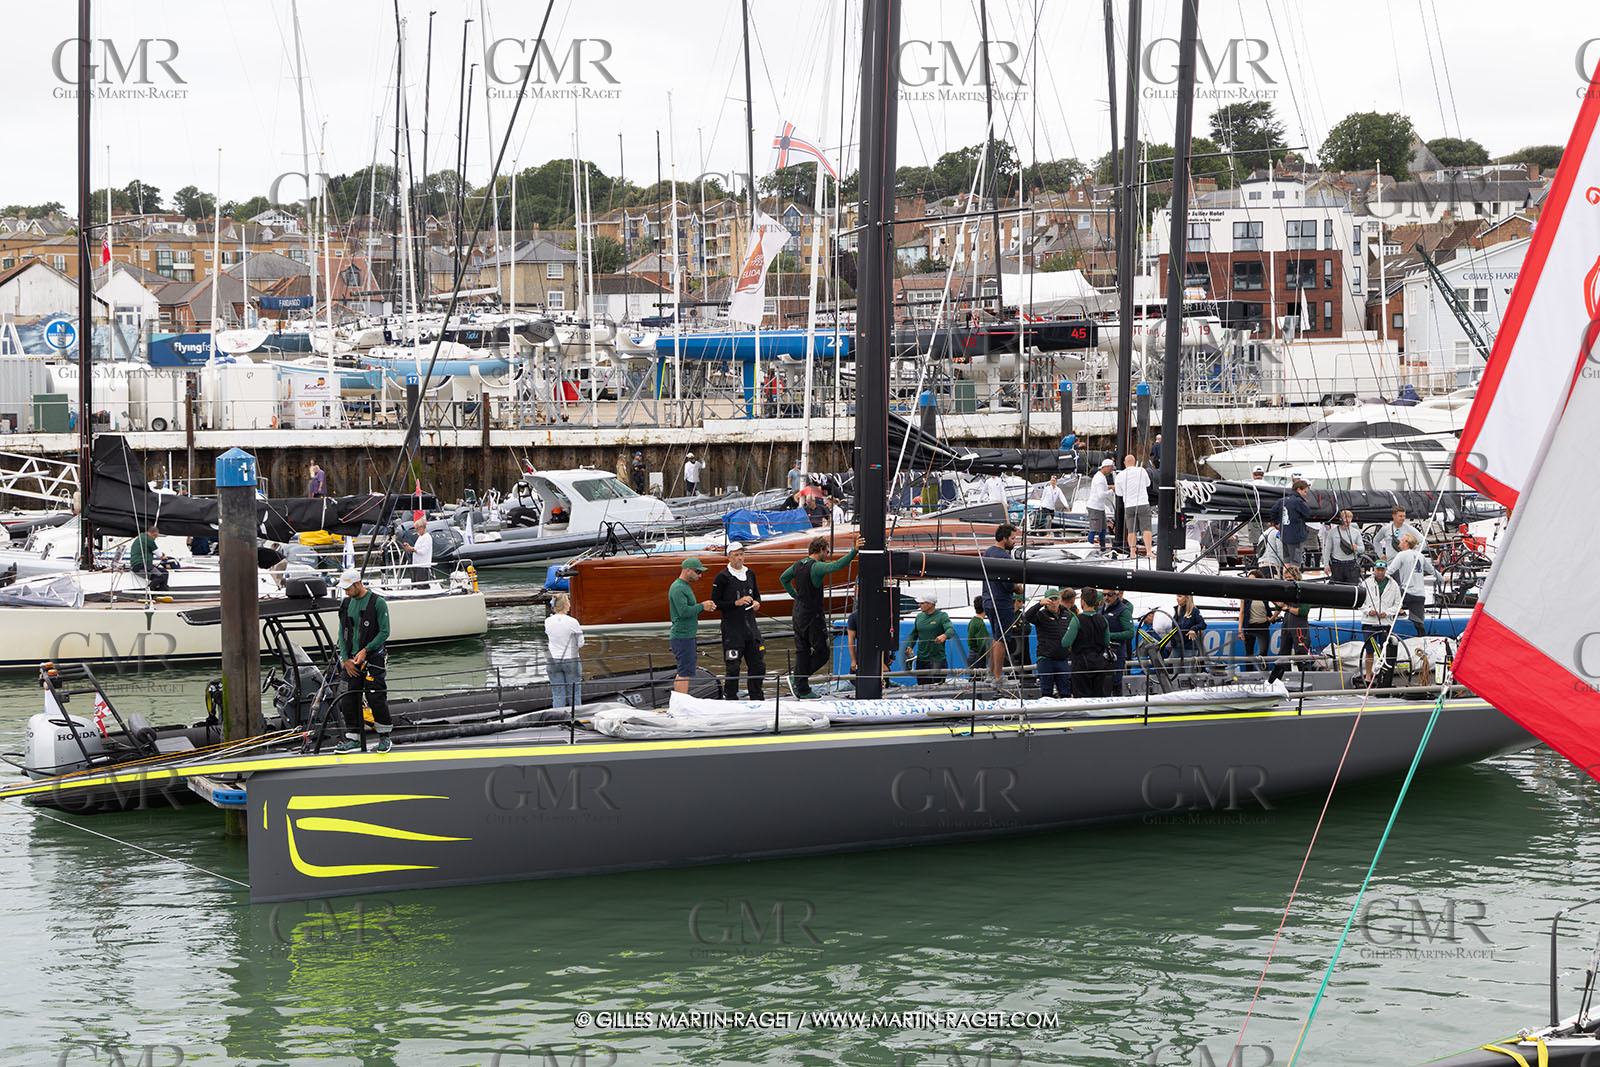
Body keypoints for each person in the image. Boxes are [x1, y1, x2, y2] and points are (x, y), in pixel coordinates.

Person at [780, 534, 864, 697]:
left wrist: (795, 595)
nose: (827, 555)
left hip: (797, 613)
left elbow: (783, 578)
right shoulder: (816, 566)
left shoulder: (798, 565)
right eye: (827, 551)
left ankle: (802, 689)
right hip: (812, 616)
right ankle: (798, 679)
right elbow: (837, 566)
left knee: (802, 651)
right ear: (820, 550)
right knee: (822, 652)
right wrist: (855, 550)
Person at [334, 569, 394, 754]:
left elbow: (385, 632)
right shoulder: (345, 603)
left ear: (357, 583)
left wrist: (365, 651)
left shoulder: (378, 603)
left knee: (375, 697)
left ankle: (384, 736)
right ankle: (353, 738)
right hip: (351, 661)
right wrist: (345, 659)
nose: (345, 592)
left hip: (372, 659)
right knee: (348, 698)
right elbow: (341, 634)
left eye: (347, 588)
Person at [711, 542, 765, 700]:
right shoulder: (722, 577)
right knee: (733, 667)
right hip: (732, 630)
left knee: (758, 664)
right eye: (736, 555)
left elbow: (757, 595)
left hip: (751, 628)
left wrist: (756, 603)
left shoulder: (750, 573)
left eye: (741, 554)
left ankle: (757, 696)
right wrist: (736, 603)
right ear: (729, 557)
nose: (740, 558)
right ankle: (731, 697)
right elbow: (715, 603)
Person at [981, 524, 1023, 685]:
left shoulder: (988, 552)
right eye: (1013, 538)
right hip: (1002, 602)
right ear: (1004, 538)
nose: (1015, 542)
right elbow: (1008, 585)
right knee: (1002, 639)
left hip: (988, 600)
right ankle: (998, 677)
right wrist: (1019, 587)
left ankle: (992, 673)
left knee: (996, 637)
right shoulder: (1005, 558)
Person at [668, 558, 717, 694]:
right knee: (685, 672)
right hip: (682, 636)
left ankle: (680, 701)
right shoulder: (678, 588)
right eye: (697, 572)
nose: (700, 575)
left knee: (685, 670)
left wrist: (704, 607)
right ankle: (681, 704)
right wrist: (702, 606)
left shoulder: (684, 586)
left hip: (687, 635)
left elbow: (690, 610)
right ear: (687, 570)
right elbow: (683, 612)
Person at [1061, 587, 1114, 698]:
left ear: (1083, 601)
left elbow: (1065, 643)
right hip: (1098, 664)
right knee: (1098, 697)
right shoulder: (1103, 619)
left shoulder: (1077, 620)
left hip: (1081, 666)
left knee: (1081, 699)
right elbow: (1106, 641)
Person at [1359, 559, 1403, 684]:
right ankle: (1368, 677)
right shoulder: (1366, 583)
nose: (1380, 572)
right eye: (1378, 569)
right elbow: (1360, 603)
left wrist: (1388, 613)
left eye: (1382, 569)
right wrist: (1368, 611)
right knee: (1369, 651)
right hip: (1369, 622)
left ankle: (1384, 677)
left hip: (1385, 623)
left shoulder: (1393, 585)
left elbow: (1398, 604)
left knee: (1385, 651)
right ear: (1374, 570)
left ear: (1385, 570)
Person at [1025, 589, 1074, 698]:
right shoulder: (1040, 616)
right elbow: (1027, 617)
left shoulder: (1067, 615)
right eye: (1050, 600)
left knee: (1066, 692)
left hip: (1062, 659)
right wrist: (1039, 604)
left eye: (1055, 599)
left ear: (1059, 600)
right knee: (1047, 693)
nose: (1053, 602)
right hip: (1046, 659)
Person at [1387, 532, 1437, 635]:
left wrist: (1376, 579)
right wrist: (1443, 579)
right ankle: (1421, 638)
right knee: (1419, 623)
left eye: (1401, 541)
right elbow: (1432, 571)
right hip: (1419, 594)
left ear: (1406, 543)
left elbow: (1390, 571)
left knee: (1389, 597)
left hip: (1406, 592)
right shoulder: (1421, 556)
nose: (1399, 542)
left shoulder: (1401, 555)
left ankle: (1396, 614)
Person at [904, 593, 957, 685]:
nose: (919, 605)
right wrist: (909, 646)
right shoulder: (919, 617)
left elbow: (951, 630)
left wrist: (944, 636)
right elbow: (914, 634)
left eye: (921, 603)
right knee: (922, 688)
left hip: (937, 660)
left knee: (936, 690)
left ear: (930, 604)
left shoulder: (942, 616)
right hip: (921, 661)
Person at [543, 592, 585, 709]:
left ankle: (558, 720)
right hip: (571, 659)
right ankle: (576, 718)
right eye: (569, 602)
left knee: (558, 694)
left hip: (553, 660)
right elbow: (581, 643)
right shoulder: (572, 621)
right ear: (565, 605)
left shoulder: (548, 621)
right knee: (574, 693)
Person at [1271, 566, 1312, 682]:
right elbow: (1279, 606)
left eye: (1290, 577)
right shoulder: (1286, 591)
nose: (1287, 580)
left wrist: (1288, 607)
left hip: (1299, 626)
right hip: (1287, 625)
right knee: (1283, 653)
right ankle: (1276, 681)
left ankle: (1307, 681)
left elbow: (1303, 611)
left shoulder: (1304, 590)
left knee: (1301, 654)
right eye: (1286, 578)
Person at [845, 603, 898, 692]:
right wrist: (853, 660)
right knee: (862, 681)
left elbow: (885, 635)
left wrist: (891, 655)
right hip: (864, 654)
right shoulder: (854, 617)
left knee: (882, 681)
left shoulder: (881, 615)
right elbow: (851, 640)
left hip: (879, 653)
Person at [1238, 571, 1279, 673]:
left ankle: (1264, 674)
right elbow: (1242, 612)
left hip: (1263, 626)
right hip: (1250, 626)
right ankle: (1249, 675)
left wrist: (1272, 617)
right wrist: (1240, 630)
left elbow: (1279, 604)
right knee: (1249, 653)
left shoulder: (1264, 593)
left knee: (1263, 653)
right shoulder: (1246, 594)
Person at [1114, 454, 1153, 558]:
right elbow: (1148, 484)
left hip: (1129, 505)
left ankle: (1132, 553)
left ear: (1124, 463)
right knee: (1146, 529)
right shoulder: (1141, 471)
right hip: (1143, 503)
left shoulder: (1119, 476)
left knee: (1131, 530)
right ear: (1135, 462)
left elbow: (1119, 494)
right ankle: (1149, 551)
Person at [1101, 587, 1136, 694]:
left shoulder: (1123, 610)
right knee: (1102, 684)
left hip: (1116, 653)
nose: (1106, 597)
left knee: (1115, 683)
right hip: (1102, 652)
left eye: (1109, 595)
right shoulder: (1102, 608)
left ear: (1117, 595)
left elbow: (1130, 633)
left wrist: (1109, 636)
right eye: (1104, 595)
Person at [1322, 510, 1365, 584]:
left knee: (1352, 588)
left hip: (1351, 565)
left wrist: (1356, 548)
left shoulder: (1356, 532)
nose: (1347, 524)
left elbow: (1362, 549)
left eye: (1349, 522)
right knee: (1337, 589)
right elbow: (1328, 550)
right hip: (1337, 565)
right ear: (1340, 519)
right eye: (1345, 522)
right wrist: (1326, 565)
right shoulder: (1332, 532)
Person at [1279, 479, 1313, 568]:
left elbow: (1274, 513)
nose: (1305, 494)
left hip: (1284, 536)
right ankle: (1294, 580)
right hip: (1296, 537)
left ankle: (1286, 580)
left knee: (1286, 562)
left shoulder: (1282, 500)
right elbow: (1308, 513)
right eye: (1305, 492)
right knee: (1295, 563)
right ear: (1298, 490)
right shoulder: (1298, 501)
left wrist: (1277, 524)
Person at [129, 522, 168, 591]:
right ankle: (148, 590)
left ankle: (162, 591)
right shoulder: (149, 539)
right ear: (154, 534)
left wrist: (160, 554)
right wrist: (162, 556)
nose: (155, 539)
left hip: (138, 565)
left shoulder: (141, 537)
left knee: (165, 572)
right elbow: (159, 555)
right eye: (155, 537)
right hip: (142, 565)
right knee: (161, 576)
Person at [1087, 458, 1115, 551]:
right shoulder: (1099, 478)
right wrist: (1111, 491)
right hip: (1095, 507)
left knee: (1103, 528)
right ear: (1105, 467)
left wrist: (1108, 487)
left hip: (1100, 507)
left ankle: (1103, 548)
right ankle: (1088, 548)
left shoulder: (1101, 476)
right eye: (1111, 468)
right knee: (1094, 529)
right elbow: (1100, 495)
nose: (1111, 470)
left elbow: (1101, 488)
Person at [402, 516, 433, 584]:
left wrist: (412, 549)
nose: (416, 530)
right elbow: (417, 549)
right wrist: (410, 548)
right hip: (417, 564)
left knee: (421, 585)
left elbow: (423, 551)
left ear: (422, 527)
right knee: (415, 583)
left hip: (422, 565)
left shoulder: (427, 537)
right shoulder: (421, 537)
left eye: (417, 529)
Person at [966, 597, 991, 673]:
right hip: (978, 657)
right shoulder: (980, 624)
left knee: (973, 679)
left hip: (971, 655)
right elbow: (982, 644)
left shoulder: (972, 621)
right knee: (978, 681)